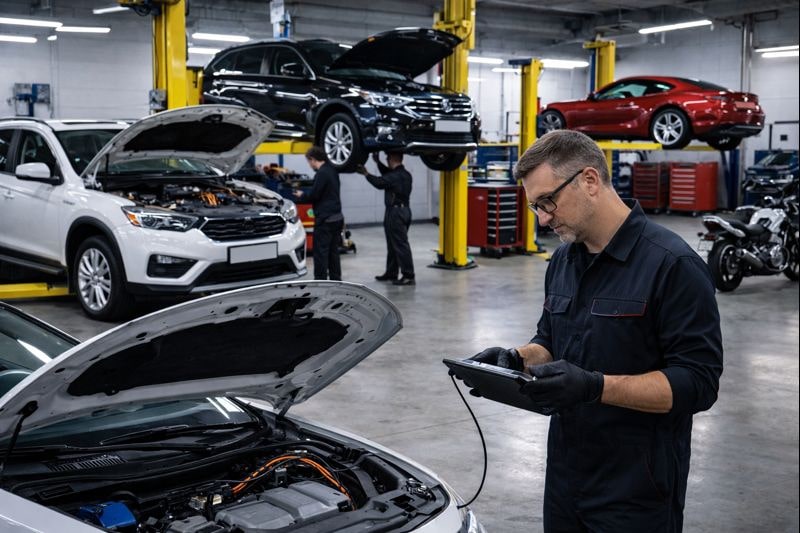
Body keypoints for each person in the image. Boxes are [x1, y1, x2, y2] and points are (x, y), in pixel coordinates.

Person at [467, 130, 723, 533]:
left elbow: (699, 383)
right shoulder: (563, 261)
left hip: (636, 489)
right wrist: (516, 359)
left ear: (589, 181)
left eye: (548, 202)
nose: (543, 218)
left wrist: (594, 386)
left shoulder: (672, 265)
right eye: (536, 207)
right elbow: (549, 339)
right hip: (566, 476)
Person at [356, 152, 415, 285]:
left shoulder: (394, 176)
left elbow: (380, 182)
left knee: (400, 245)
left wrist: (366, 173)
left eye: (388, 158)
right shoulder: (406, 174)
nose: (387, 160)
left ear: (393, 158)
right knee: (394, 244)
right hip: (405, 211)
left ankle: (408, 275)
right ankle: (391, 273)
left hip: (395, 213)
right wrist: (378, 162)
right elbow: (388, 174)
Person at [293, 146, 343, 280]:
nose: (310, 165)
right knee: (333, 253)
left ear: (313, 159)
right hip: (337, 218)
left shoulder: (321, 173)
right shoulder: (332, 170)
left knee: (321, 254)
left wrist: (302, 195)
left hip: (325, 220)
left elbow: (314, 196)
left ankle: (320, 282)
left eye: (309, 162)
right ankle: (336, 280)